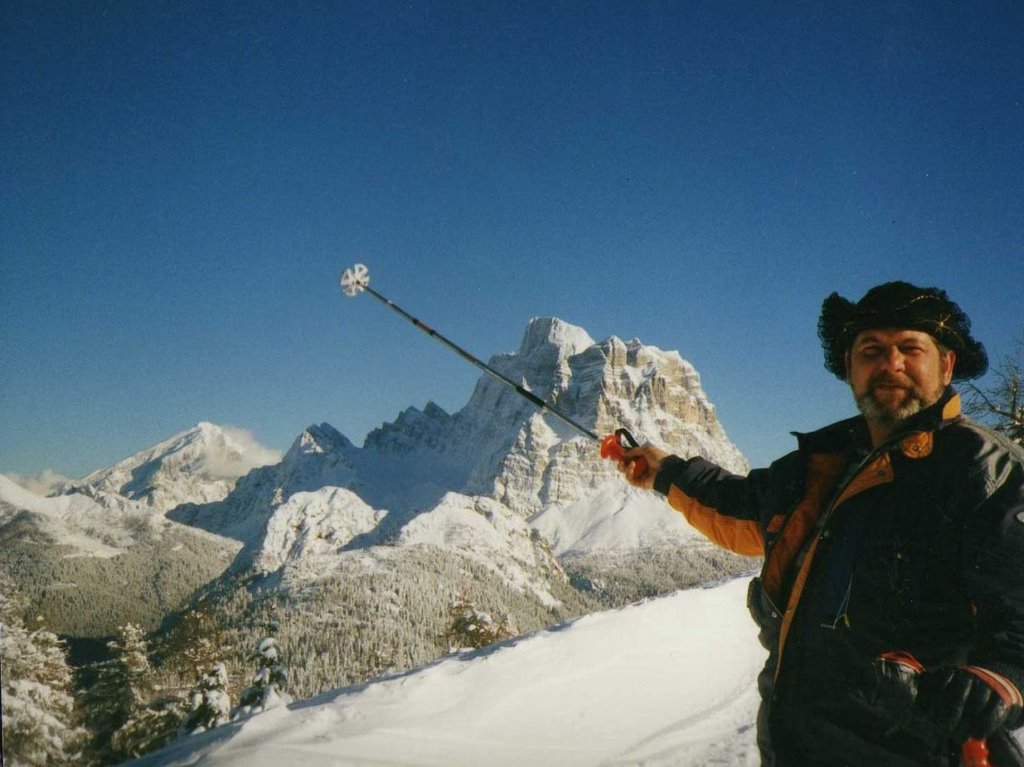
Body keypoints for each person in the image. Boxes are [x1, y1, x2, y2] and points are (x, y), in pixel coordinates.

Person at [617, 281, 1024, 766]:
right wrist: (664, 472)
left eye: (909, 349)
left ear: (947, 365)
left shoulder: (986, 471)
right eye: (871, 350)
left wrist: (1001, 675)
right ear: (849, 369)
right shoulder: (819, 467)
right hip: (793, 746)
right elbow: (739, 505)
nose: (889, 363)